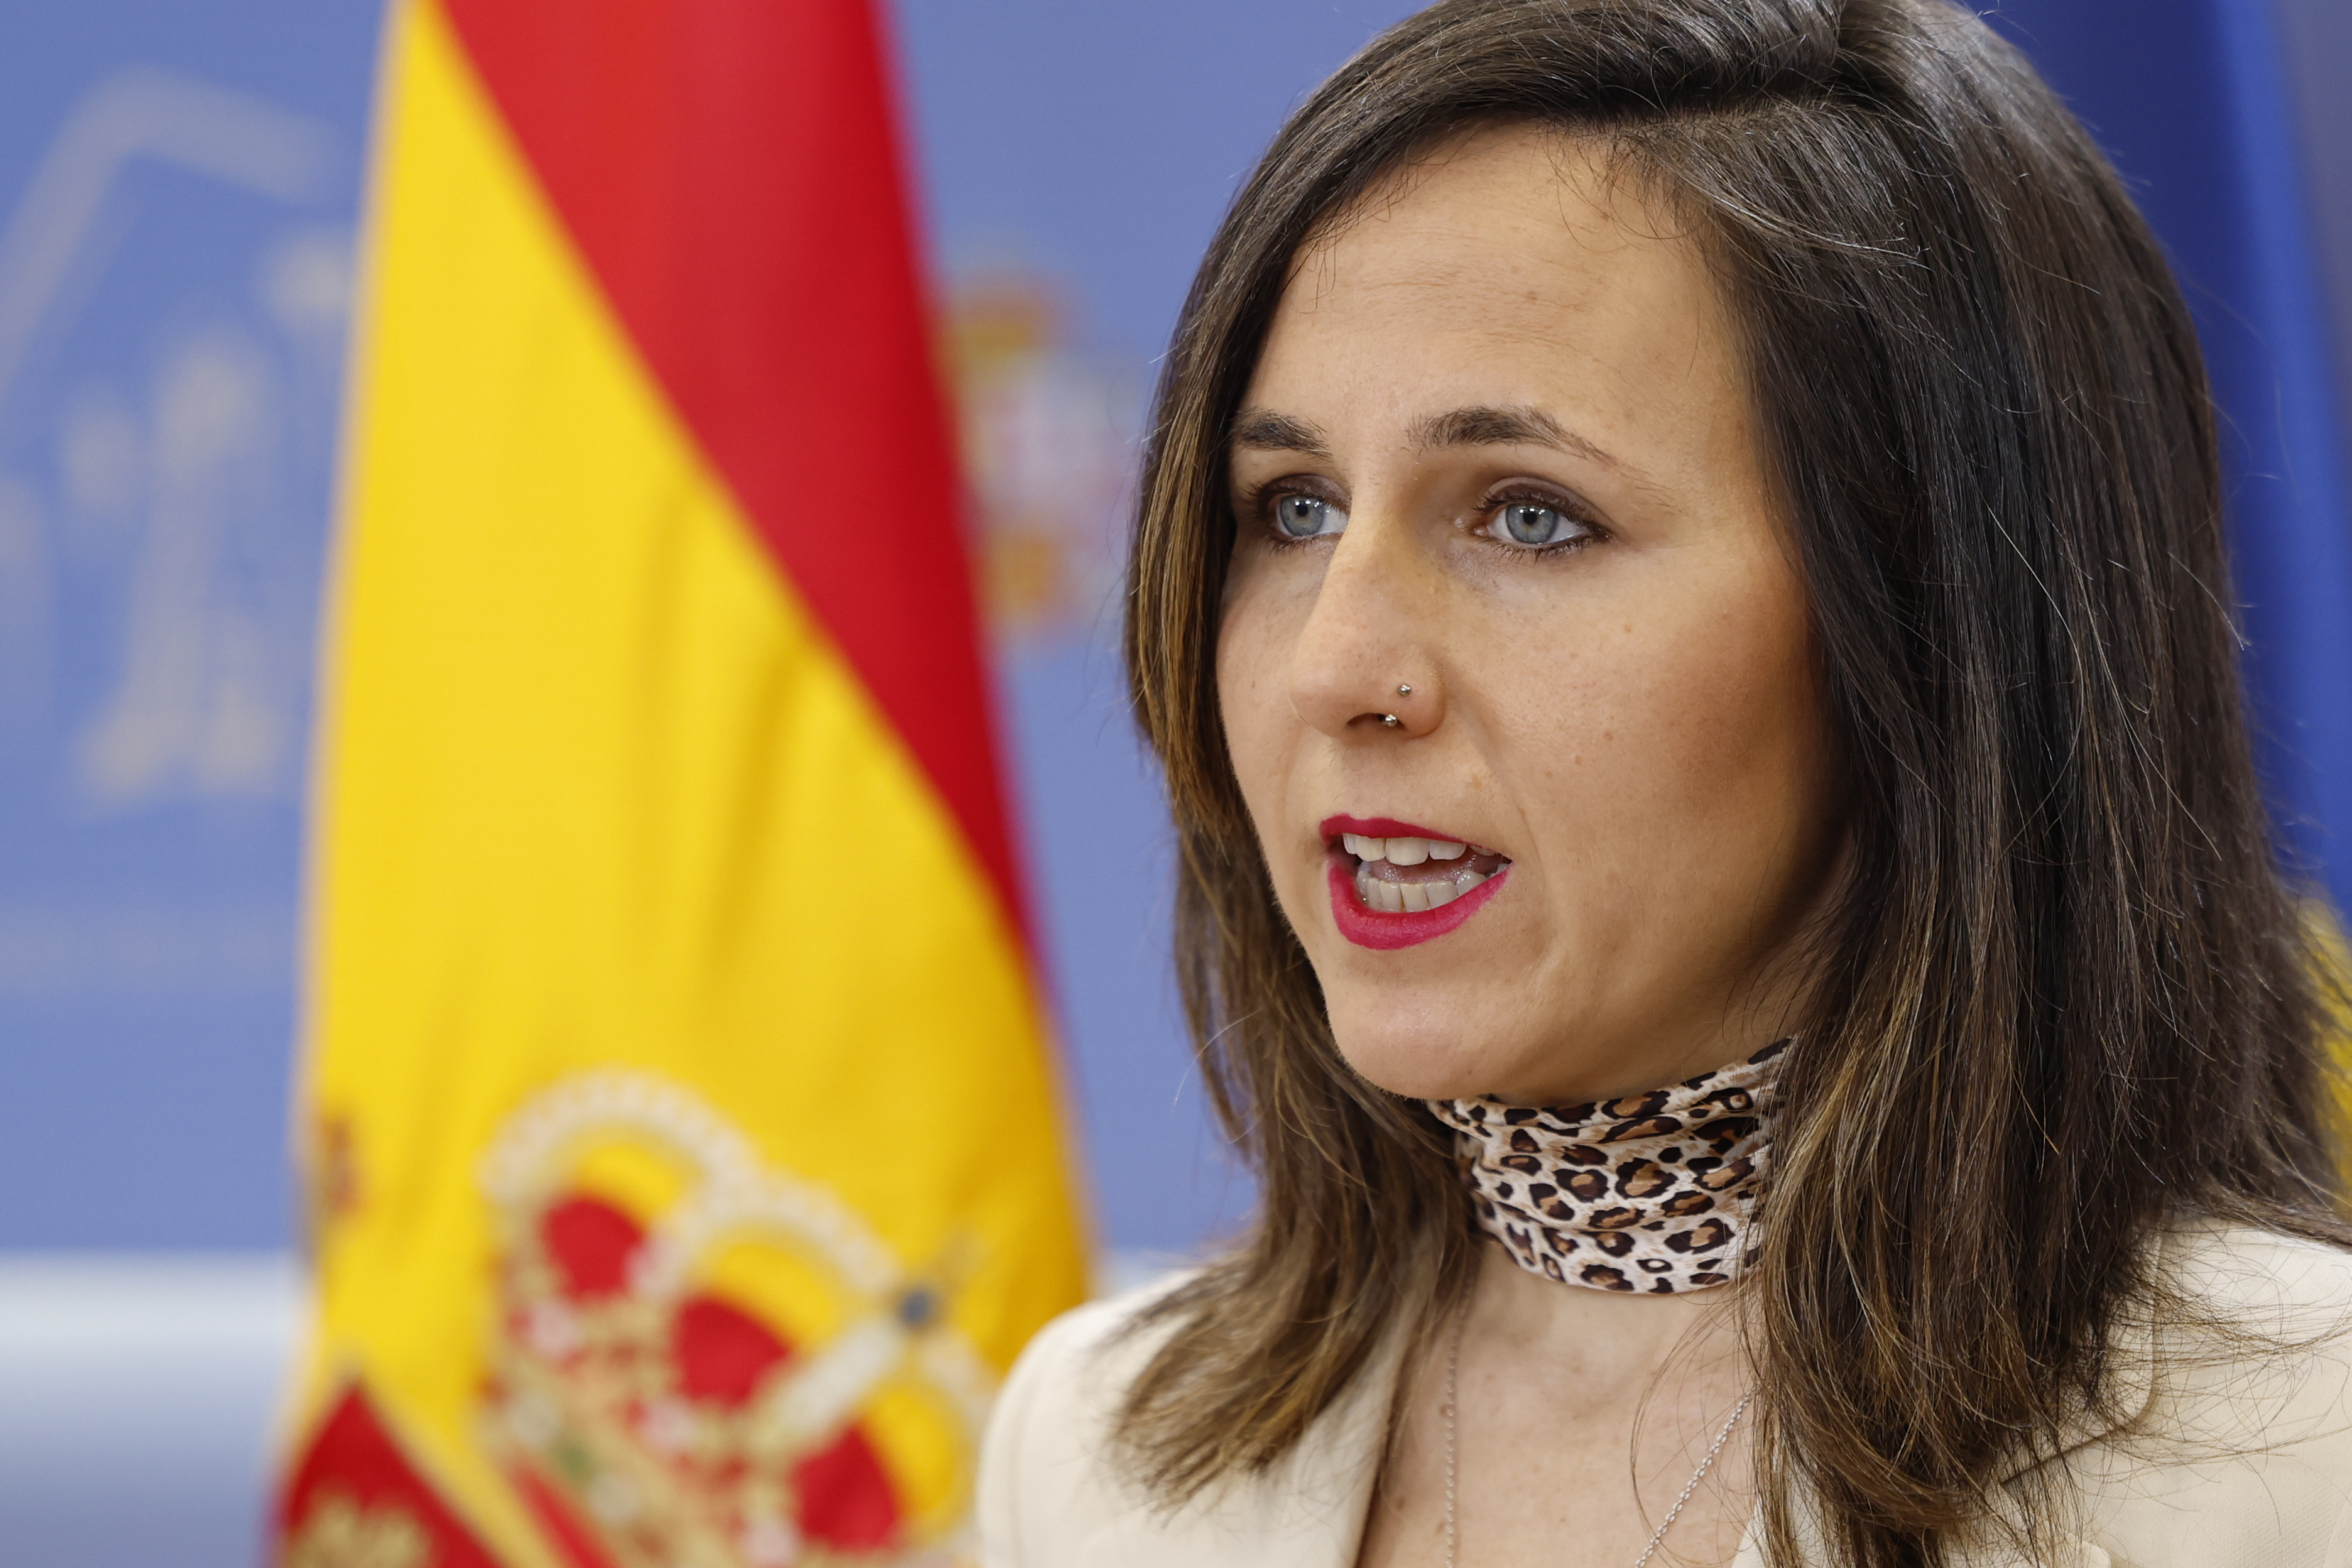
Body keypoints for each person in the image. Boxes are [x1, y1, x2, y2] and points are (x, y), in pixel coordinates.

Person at [977, 1, 2352, 1563]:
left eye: (1531, 517)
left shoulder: (2315, 1458)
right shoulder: (1096, 1453)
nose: (1333, 669)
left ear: (1930, 625)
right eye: (1293, 510)